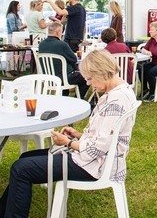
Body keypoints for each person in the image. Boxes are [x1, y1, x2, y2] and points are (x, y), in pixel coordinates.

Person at [0, 49, 137, 217]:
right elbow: (105, 137)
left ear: (101, 73)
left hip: (93, 166)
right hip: (101, 161)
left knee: (20, 169)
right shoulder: (122, 91)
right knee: (25, 159)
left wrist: (68, 142)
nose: (87, 83)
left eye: (89, 78)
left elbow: (97, 149)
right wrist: (78, 135)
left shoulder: (115, 101)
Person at [38, 22, 89, 99]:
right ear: (58, 32)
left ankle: (64, 97)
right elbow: (74, 59)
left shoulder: (41, 44)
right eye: (61, 31)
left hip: (49, 78)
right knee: (85, 76)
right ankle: (77, 100)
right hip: (64, 78)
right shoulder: (62, 44)